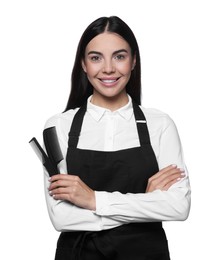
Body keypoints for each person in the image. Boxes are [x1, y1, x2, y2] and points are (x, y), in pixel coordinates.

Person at [44, 16, 191, 260]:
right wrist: (147, 203)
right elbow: (62, 217)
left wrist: (92, 199)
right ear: (83, 64)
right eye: (95, 58)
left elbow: (178, 207)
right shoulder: (58, 126)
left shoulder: (160, 124)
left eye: (119, 56)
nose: (108, 68)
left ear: (133, 61)